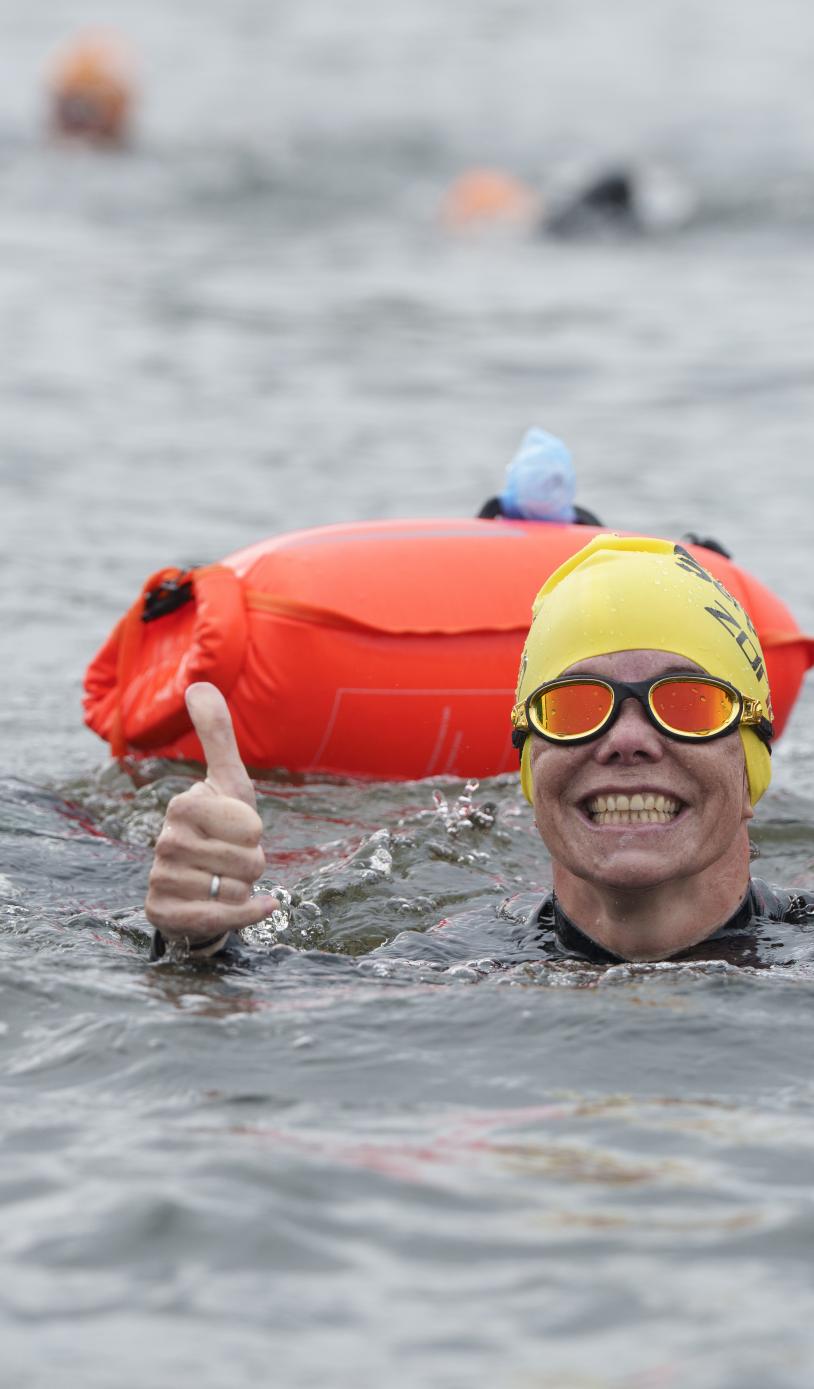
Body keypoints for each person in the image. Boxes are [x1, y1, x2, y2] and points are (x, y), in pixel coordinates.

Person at [145, 534, 813, 966]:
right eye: (576, 705)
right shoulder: (447, 968)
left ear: (750, 766)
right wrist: (194, 940)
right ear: (530, 769)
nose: (627, 740)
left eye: (687, 702)